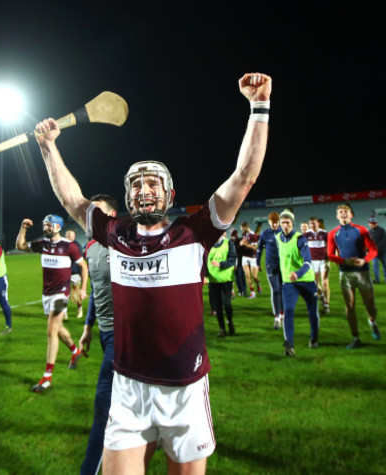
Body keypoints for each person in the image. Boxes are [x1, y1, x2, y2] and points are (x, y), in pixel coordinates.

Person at [33, 71, 271, 474]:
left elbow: (243, 178)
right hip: (128, 386)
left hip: (185, 387)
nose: (145, 189)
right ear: (128, 196)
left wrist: (259, 106)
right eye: (137, 184)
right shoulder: (115, 232)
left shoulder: (195, 231)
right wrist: (48, 147)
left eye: (153, 183)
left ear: (169, 194)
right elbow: (73, 201)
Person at [16, 214, 88, 393]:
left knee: (50, 331)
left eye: (49, 225)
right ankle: (74, 351)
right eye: (45, 225)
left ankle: (47, 377)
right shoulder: (42, 244)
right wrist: (23, 228)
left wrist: (82, 288)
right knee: (58, 327)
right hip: (46, 293)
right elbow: (21, 246)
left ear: (57, 227)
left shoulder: (69, 246)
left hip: (61, 293)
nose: (46, 228)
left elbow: (83, 266)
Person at [78, 194, 118, 475]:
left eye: (99, 212)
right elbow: (95, 291)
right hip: (104, 332)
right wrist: (87, 327)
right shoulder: (90, 247)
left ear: (112, 216)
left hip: (124, 336)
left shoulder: (124, 244)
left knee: (103, 405)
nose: (92, 217)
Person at [327, 204, 380, 349]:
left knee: (370, 305)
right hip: (345, 274)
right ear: (337, 216)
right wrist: (345, 261)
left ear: (351, 215)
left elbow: (373, 250)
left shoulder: (361, 229)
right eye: (340, 212)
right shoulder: (333, 234)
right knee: (349, 305)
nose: (343, 214)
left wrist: (365, 260)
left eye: (346, 212)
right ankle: (356, 337)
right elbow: (330, 255)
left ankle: (372, 321)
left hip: (363, 272)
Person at [276, 210, 319, 356]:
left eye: (288, 223)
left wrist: (298, 273)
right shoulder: (278, 238)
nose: (285, 225)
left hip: (306, 281)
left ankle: (314, 338)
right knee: (288, 311)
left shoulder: (300, 239)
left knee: (312, 312)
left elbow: (308, 261)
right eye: (283, 223)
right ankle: (290, 346)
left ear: (292, 224)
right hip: (289, 283)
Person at [207, 231, 238, 337]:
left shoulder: (229, 244)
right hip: (213, 281)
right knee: (217, 306)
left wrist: (221, 264)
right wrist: (205, 276)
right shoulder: (207, 245)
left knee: (227, 304)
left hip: (226, 280)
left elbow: (233, 259)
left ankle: (230, 321)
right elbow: (204, 261)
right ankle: (222, 329)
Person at [257, 212, 284, 329]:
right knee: (276, 290)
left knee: (283, 290)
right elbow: (259, 249)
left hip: (284, 265)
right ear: (269, 222)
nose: (275, 225)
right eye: (273, 223)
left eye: (276, 223)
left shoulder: (284, 233)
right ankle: (277, 317)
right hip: (270, 265)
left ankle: (283, 315)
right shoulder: (265, 234)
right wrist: (257, 263)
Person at [307, 216, 331, 314]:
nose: (312, 225)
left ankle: (326, 305)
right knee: (315, 285)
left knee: (325, 283)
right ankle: (321, 296)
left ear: (318, 223)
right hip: (312, 262)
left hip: (323, 261)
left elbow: (331, 246)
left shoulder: (324, 234)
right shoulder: (306, 234)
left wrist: (331, 257)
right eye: (310, 224)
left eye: (314, 223)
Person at [66, 229, 85, 319]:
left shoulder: (77, 246)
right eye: (67, 233)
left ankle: (80, 308)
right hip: (64, 272)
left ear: (74, 236)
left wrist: (81, 272)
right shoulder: (62, 244)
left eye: (70, 233)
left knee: (76, 292)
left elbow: (80, 262)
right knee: (63, 292)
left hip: (74, 272)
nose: (68, 235)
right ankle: (64, 312)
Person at [240, 221, 261, 297]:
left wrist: (245, 243)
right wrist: (241, 243)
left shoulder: (253, 235)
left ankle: (258, 283)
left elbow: (255, 247)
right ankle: (252, 292)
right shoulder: (244, 234)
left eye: (242, 228)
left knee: (254, 276)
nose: (241, 230)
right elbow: (243, 243)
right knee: (247, 276)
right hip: (245, 257)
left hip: (252, 257)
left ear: (245, 227)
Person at [368, 216, 386, 283]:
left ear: (375, 223)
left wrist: (375, 248)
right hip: (374, 253)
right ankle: (377, 280)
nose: (371, 224)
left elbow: (383, 241)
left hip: (383, 252)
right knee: (375, 266)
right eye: (370, 223)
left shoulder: (382, 230)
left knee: (385, 265)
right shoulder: (370, 231)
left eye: (372, 223)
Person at [229, 229, 248, 297]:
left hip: (240, 261)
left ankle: (244, 291)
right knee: (237, 277)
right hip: (234, 261)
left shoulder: (240, 239)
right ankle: (240, 291)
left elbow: (243, 249)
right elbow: (234, 251)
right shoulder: (230, 242)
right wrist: (240, 245)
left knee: (241, 276)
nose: (235, 234)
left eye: (235, 233)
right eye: (233, 233)